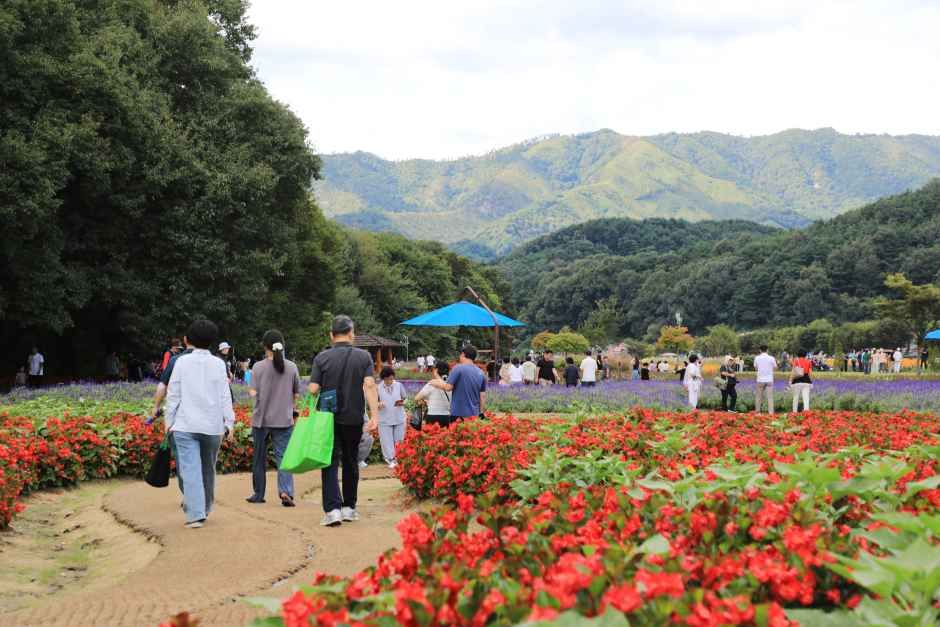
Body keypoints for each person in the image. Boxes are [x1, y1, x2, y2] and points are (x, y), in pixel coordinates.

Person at [309, 315, 379, 527]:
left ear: (331, 335)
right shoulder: (364, 357)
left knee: (329, 462)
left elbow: (313, 389)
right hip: (354, 417)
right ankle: (349, 508)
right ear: (351, 333)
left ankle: (332, 511)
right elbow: (369, 385)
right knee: (351, 460)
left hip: (328, 419)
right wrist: (375, 416)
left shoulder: (321, 358)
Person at [164, 319, 235, 529]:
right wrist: (229, 422)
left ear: (188, 340)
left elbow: (173, 393)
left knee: (189, 469)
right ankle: (204, 507)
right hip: (213, 426)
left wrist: (168, 421)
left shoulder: (180, 362)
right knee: (207, 469)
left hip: (185, 424)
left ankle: (195, 514)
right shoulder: (219, 364)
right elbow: (225, 395)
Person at [246, 330, 301, 507]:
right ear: (282, 344)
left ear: (265, 346)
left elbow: (253, 392)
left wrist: (258, 400)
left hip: (261, 419)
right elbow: (296, 394)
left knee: (259, 458)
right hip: (284, 419)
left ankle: (258, 494)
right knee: (284, 456)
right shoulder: (292, 367)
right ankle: (285, 491)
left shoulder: (258, 367)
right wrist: (292, 410)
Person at [429, 345, 486, 421]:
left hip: (458, 413)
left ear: (463, 354)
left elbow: (448, 387)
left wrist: (434, 383)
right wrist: (481, 412)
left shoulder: (458, 368)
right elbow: (482, 395)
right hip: (474, 414)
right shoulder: (481, 372)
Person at [376, 366, 406, 468]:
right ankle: (391, 460)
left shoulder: (399, 385)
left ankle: (399, 459)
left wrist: (402, 402)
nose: (390, 381)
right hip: (384, 418)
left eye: (392, 378)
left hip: (398, 417)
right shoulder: (378, 388)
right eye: (388, 379)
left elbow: (405, 398)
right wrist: (378, 404)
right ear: (383, 378)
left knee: (399, 440)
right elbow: (373, 402)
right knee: (386, 441)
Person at [415, 362, 453, 428]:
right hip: (447, 416)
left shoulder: (432, 383)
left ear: (436, 370)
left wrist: (425, 400)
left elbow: (417, 398)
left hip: (433, 415)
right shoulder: (451, 384)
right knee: (445, 437)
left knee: (432, 437)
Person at [754, 346, 777, 414]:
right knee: (770, 397)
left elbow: (756, 368)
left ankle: (758, 412)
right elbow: (775, 367)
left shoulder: (757, 358)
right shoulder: (771, 358)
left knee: (758, 397)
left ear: (760, 350)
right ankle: (771, 413)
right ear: (767, 350)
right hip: (769, 379)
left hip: (760, 379)